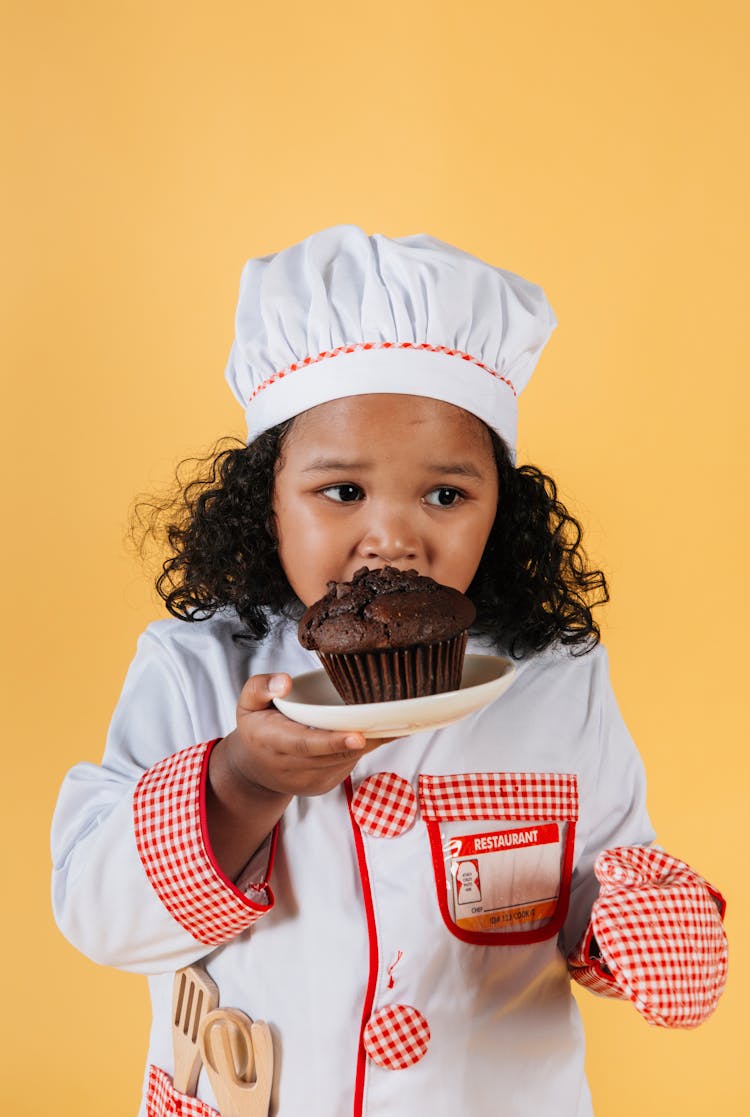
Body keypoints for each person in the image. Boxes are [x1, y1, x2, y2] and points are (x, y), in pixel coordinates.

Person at [51, 225, 727, 1117]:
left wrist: (635, 928)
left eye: (446, 494)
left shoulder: (557, 678)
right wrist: (243, 781)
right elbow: (103, 918)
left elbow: (603, 880)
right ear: (267, 504)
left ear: (503, 509)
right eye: (342, 492)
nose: (396, 538)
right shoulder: (193, 668)